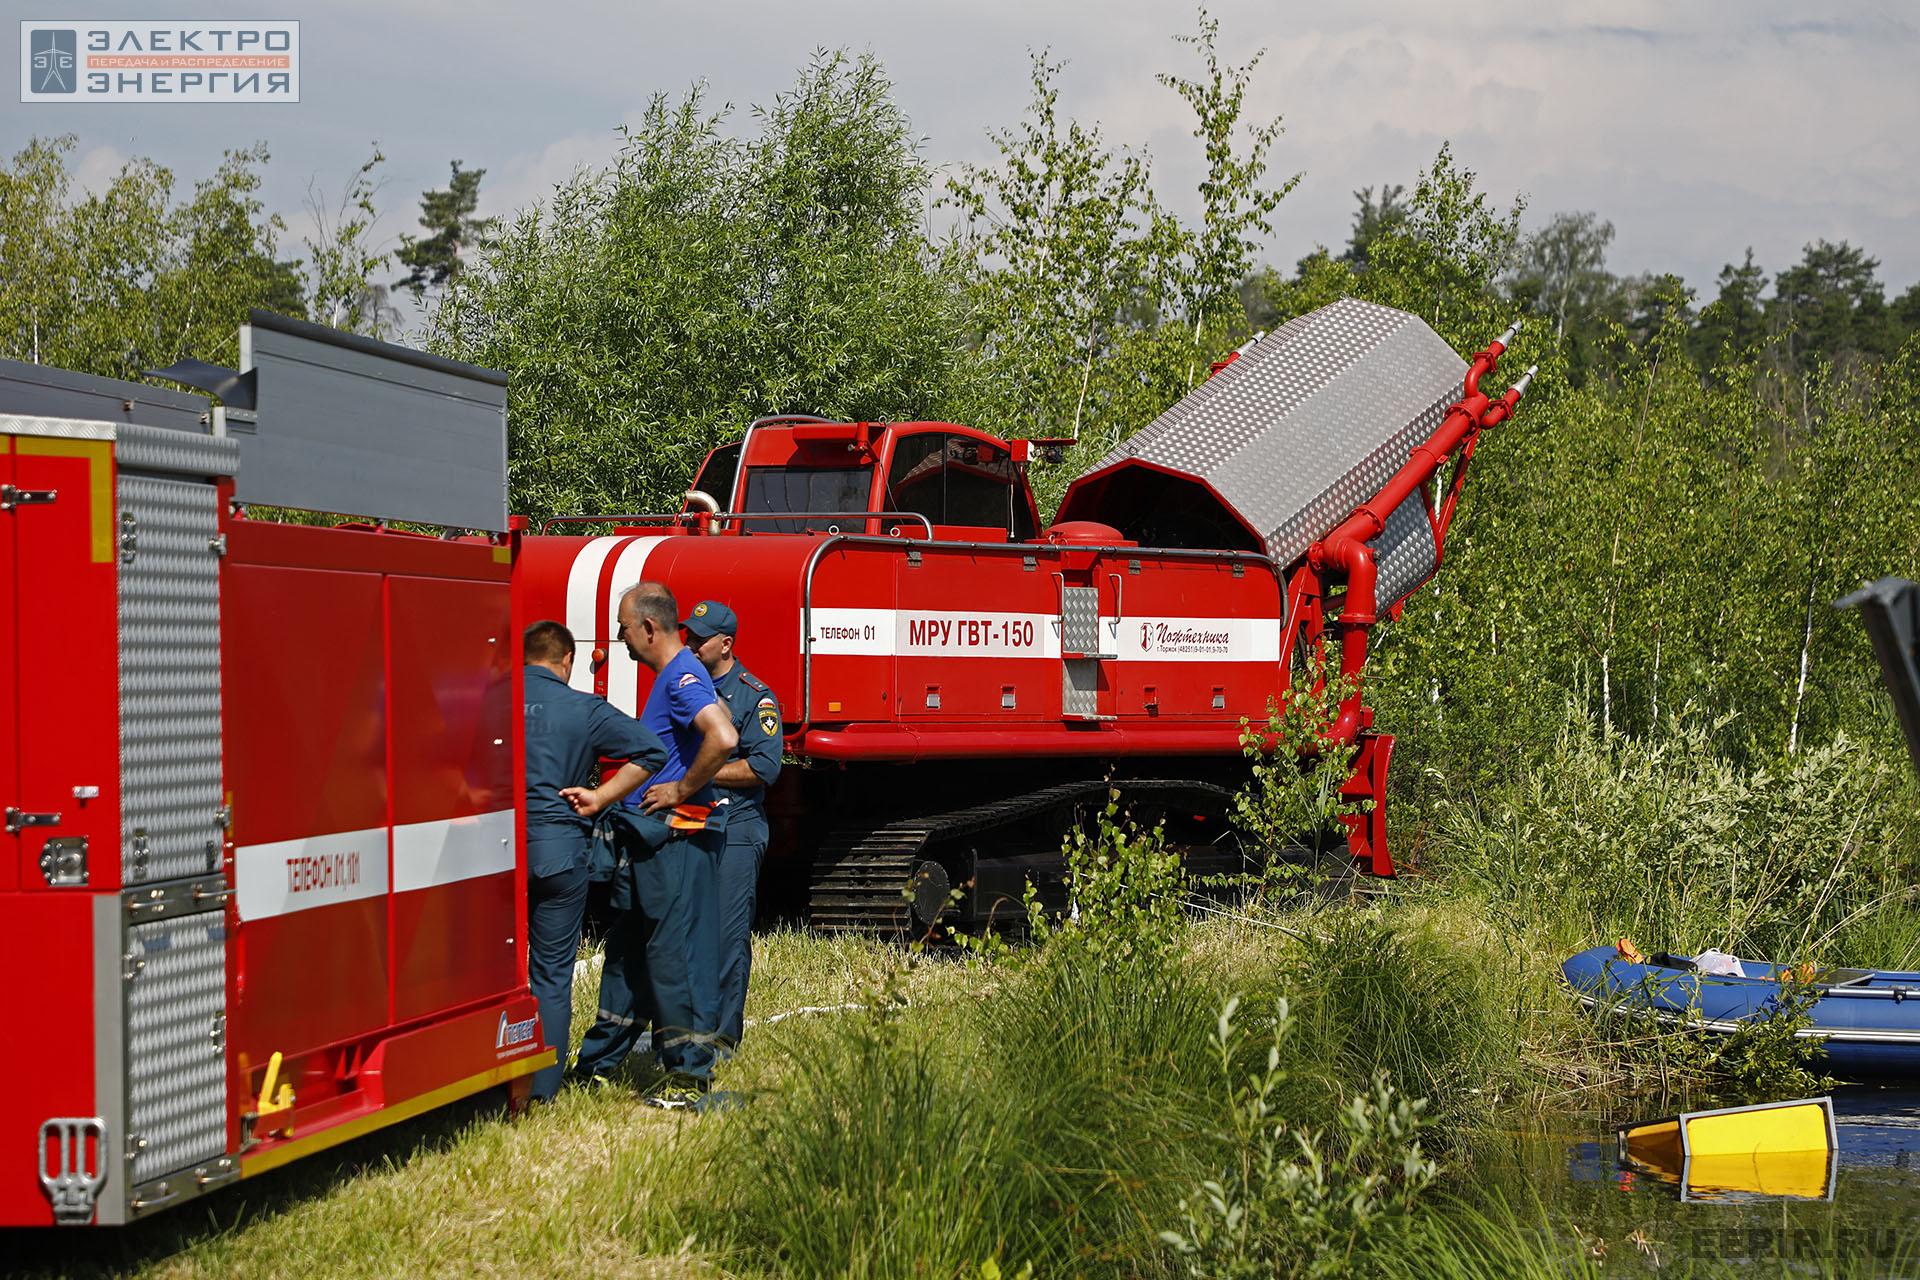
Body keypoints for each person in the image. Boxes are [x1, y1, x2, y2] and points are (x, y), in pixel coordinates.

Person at [567, 581, 738, 1108]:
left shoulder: (682, 675)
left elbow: (724, 736)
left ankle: (689, 1077)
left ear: (648, 627)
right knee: (628, 953)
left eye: (622, 628)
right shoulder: (673, 677)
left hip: (677, 842)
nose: (619, 638)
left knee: (673, 957)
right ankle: (598, 1065)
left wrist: (682, 788)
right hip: (651, 844)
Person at [521, 620, 667, 1103]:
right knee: (551, 974)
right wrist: (600, 796)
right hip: (558, 852)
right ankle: (540, 1091)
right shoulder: (583, 709)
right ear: (566, 661)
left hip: (491, 853)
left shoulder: (487, 699)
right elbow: (652, 750)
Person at [681, 600, 783, 1054]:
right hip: (689, 821)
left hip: (736, 826)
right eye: (687, 635)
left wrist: (698, 772)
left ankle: (722, 1037)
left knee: (726, 934)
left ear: (726, 644)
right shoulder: (686, 688)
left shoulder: (754, 697)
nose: (690, 643)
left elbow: (764, 768)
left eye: (699, 638)